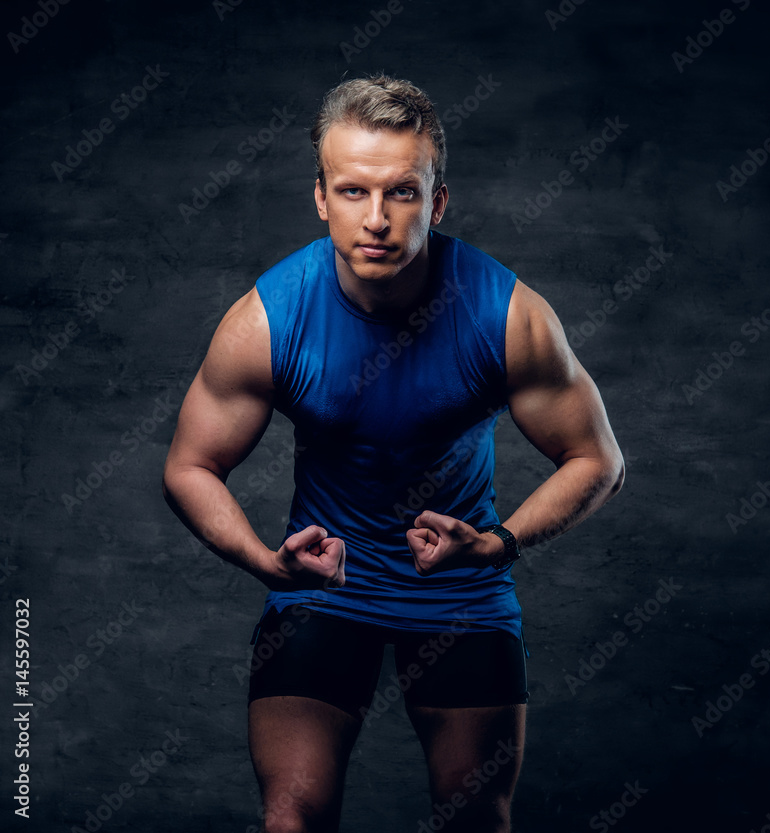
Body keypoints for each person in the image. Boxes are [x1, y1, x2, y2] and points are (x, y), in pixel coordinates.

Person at [162, 74, 624, 833]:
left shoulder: (508, 316)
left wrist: (498, 542)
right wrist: (263, 560)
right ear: (320, 197)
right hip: (323, 583)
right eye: (351, 192)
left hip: (460, 583)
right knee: (291, 819)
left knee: (476, 816)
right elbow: (189, 465)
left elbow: (597, 459)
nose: (375, 219)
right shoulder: (267, 321)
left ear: (437, 202)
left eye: (402, 193)